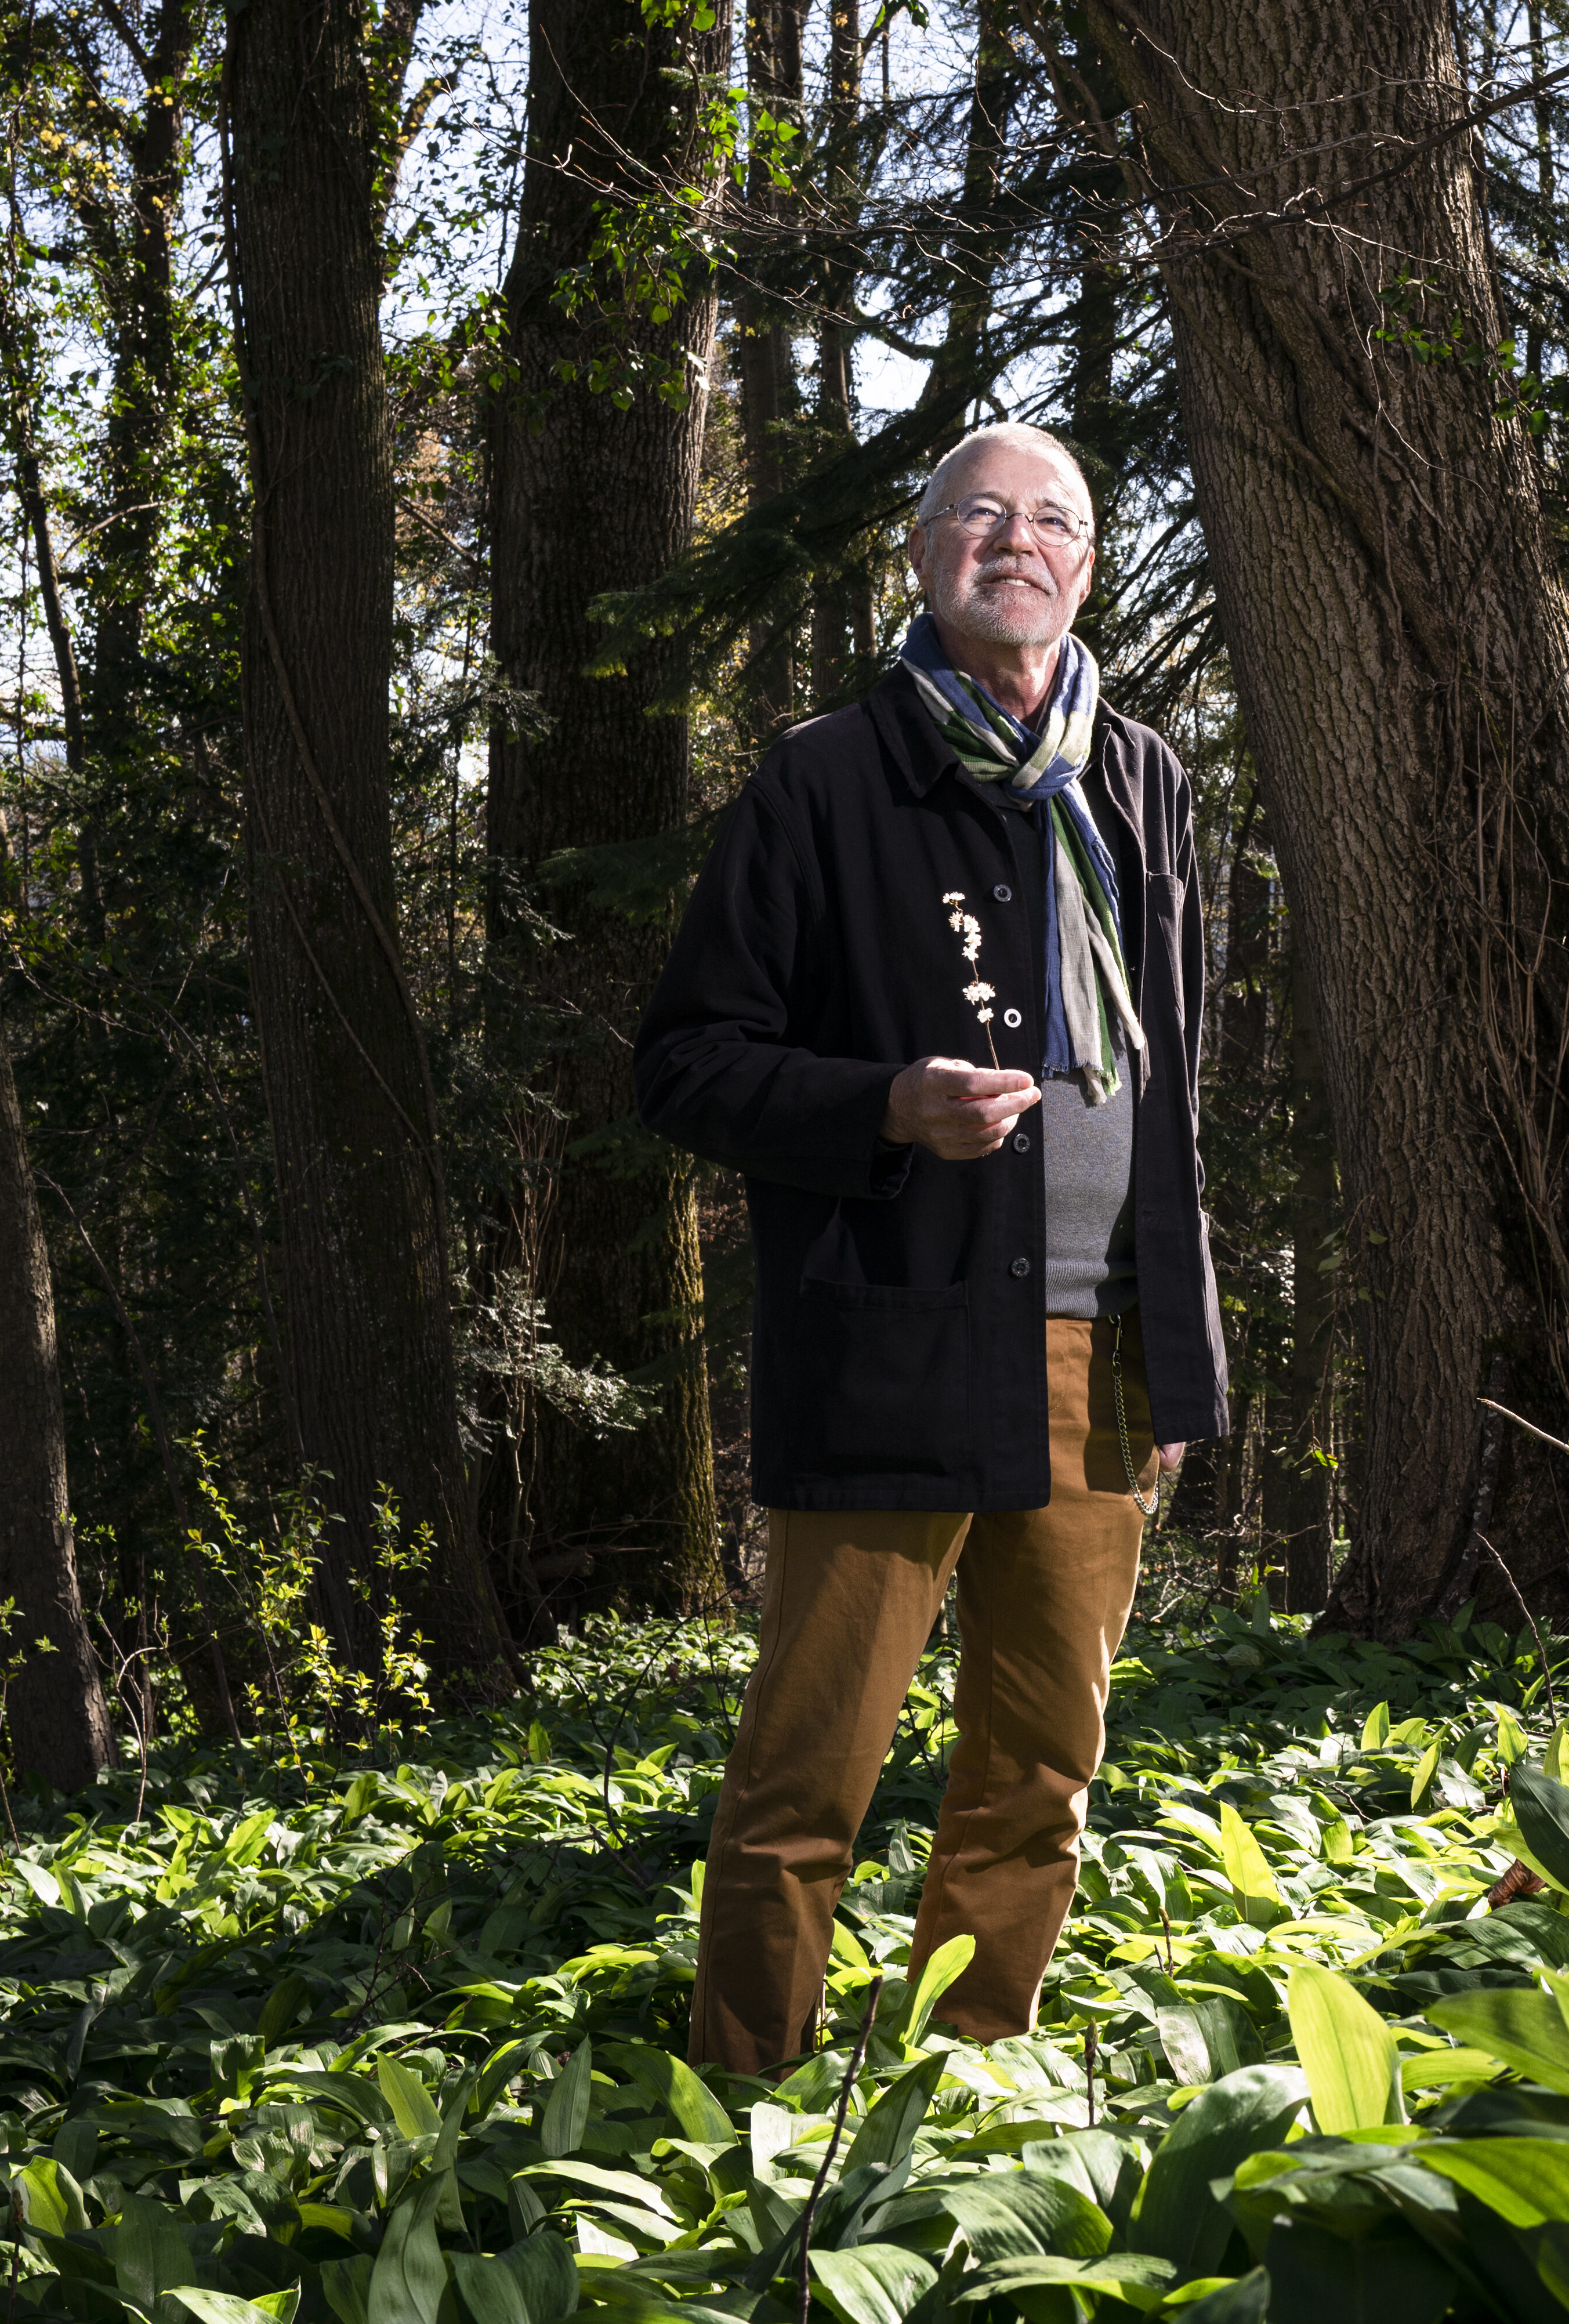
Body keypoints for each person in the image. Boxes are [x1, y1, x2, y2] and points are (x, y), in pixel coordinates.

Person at [637, 420, 1227, 2075]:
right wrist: (888, 1103)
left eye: (1052, 519)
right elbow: (685, 1064)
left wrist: (1176, 1342)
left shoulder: (1145, 782)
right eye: (979, 515)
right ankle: (742, 2081)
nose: (1015, 542)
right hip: (894, 1333)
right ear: (921, 553)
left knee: (1042, 1765)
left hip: (1098, 1348)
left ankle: (964, 2066)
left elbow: (1179, 1088)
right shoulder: (826, 778)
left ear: (1087, 564)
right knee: (807, 1771)